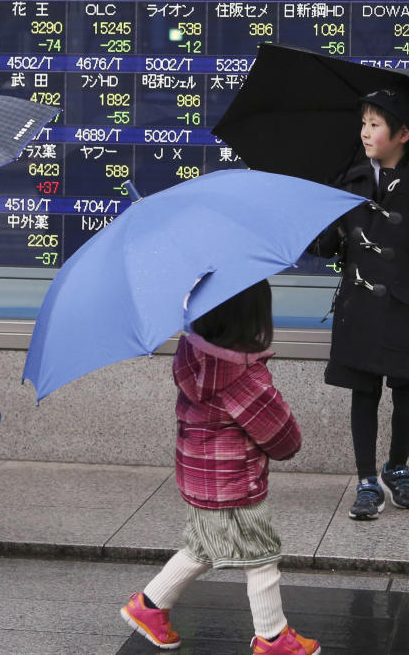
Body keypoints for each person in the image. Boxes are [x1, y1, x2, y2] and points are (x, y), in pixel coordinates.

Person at [120, 280, 320, 654]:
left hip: (199, 477)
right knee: (260, 555)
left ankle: (148, 606)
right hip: (234, 483)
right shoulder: (242, 379)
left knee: (203, 546)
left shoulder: (192, 356)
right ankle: (273, 637)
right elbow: (284, 440)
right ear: (253, 319)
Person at [312, 87, 409, 521]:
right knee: (363, 393)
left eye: (374, 125)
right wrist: (328, 214)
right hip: (359, 307)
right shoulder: (348, 181)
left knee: (407, 393)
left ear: (402, 134)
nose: (364, 132)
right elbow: (322, 248)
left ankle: (397, 467)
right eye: (363, 123)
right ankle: (365, 480)